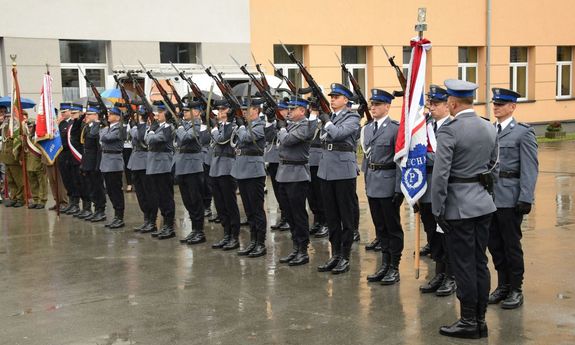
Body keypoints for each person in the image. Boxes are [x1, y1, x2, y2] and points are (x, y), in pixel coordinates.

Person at [432, 79, 498, 339]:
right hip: (483, 203)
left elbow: (441, 174)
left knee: (463, 266)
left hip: (458, 207)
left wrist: (438, 207)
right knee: (480, 262)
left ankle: (469, 321)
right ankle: (480, 321)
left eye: (447, 100)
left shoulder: (450, 130)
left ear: (453, 102)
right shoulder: (488, 126)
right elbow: (494, 164)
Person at [487, 87, 538, 309]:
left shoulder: (523, 132)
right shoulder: (490, 130)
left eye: (500, 104)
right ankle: (503, 286)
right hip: (490, 198)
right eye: (494, 103)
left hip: (510, 197)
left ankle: (516, 288)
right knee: (495, 244)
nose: (496, 107)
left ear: (512, 107)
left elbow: (530, 167)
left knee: (511, 245)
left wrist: (526, 197)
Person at [316, 83, 360, 275]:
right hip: (326, 170)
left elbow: (339, 134)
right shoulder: (332, 117)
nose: (332, 99)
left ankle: (345, 256)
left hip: (343, 170)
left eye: (336, 96)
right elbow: (323, 139)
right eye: (331, 96)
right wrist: (326, 121)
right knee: (331, 216)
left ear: (346, 100)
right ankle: (335, 254)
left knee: (346, 216)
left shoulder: (353, 117)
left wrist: (326, 122)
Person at [361, 89, 404, 285]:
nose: (374, 107)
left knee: (392, 227)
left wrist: (398, 189)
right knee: (380, 228)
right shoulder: (368, 128)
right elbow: (367, 158)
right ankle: (384, 264)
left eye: (378, 104)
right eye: (372, 104)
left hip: (388, 183)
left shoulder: (395, 129)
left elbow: (400, 162)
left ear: (387, 106)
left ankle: (394, 266)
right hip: (373, 183)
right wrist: (366, 182)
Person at [418, 85, 456, 296]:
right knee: (432, 234)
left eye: (435, 103)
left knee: (446, 235)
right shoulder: (425, 125)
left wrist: (418, 157)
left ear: (447, 105)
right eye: (429, 103)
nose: (431, 107)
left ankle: (451, 275)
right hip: (425, 188)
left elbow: (444, 159)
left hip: (443, 190)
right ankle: (439, 273)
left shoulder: (452, 127)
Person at [276, 96, 313, 265]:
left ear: (302, 111)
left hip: (297, 174)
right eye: (288, 109)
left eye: (293, 109)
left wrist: (282, 129)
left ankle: (303, 250)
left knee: (298, 215)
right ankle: (296, 247)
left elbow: (287, 140)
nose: (289, 111)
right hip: (284, 173)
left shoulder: (305, 126)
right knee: (289, 214)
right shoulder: (291, 126)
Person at [233, 98, 268, 258]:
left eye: (247, 110)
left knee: (257, 209)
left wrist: (240, 126)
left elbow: (247, 138)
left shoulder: (260, 126)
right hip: (242, 170)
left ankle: (260, 243)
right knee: (249, 210)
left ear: (256, 110)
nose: (245, 112)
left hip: (254, 172)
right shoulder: (246, 126)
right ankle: (253, 241)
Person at [209, 100, 241, 251]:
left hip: (227, 168)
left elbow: (221, 140)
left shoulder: (232, 127)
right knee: (220, 204)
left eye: (223, 109)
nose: (220, 112)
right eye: (219, 109)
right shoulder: (221, 126)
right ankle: (226, 233)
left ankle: (234, 236)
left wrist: (215, 128)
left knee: (229, 203)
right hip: (216, 167)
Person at [176, 101, 207, 245]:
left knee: (195, 200)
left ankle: (199, 231)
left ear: (197, 112)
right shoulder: (186, 125)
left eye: (188, 110)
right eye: (184, 111)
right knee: (187, 200)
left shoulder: (198, 125)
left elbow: (187, 137)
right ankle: (194, 229)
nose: (184, 113)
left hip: (193, 166)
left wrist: (180, 127)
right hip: (182, 165)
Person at [145, 102, 176, 240]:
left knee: (166, 197)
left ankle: (169, 226)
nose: (158, 115)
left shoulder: (168, 127)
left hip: (163, 166)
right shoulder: (159, 127)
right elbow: (147, 140)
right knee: (159, 197)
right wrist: (151, 132)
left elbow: (156, 140)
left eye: (161, 112)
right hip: (155, 166)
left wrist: (150, 131)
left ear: (167, 114)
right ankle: (165, 225)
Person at [264, 101, 290, 231]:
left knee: (285, 192)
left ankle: (289, 217)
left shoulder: (289, 123)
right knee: (277, 191)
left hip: (285, 161)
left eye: (282, 110)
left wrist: (280, 126)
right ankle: (284, 216)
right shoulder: (274, 123)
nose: (280, 112)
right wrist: (269, 120)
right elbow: (267, 137)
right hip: (274, 160)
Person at [129, 105, 155, 232]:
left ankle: (152, 220)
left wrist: (136, 125)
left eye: (139, 114)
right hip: (135, 161)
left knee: (149, 192)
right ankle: (146, 219)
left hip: (145, 162)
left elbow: (140, 137)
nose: (137, 115)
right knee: (140, 193)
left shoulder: (150, 126)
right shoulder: (137, 125)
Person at [100, 105, 126, 229]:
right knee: (110, 190)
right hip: (106, 162)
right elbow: (103, 135)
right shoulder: (109, 128)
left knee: (116, 190)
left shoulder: (120, 128)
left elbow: (106, 137)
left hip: (114, 162)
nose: (108, 116)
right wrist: (104, 132)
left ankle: (119, 216)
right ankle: (116, 216)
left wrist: (104, 132)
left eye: (111, 114)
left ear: (117, 117)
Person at [81, 104, 106, 223]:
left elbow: (99, 148)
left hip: (95, 162)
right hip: (88, 161)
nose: (87, 116)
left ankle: (100, 210)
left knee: (98, 187)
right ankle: (96, 209)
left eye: (89, 114)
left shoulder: (99, 127)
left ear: (96, 115)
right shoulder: (88, 127)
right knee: (91, 187)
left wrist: (98, 165)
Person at [22, 114, 48, 209]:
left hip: (39, 162)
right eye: (28, 127)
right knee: (33, 183)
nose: (29, 128)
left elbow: (44, 150)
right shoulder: (27, 137)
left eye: (31, 126)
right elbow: (24, 149)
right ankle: (36, 199)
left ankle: (42, 200)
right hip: (30, 163)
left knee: (42, 182)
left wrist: (44, 162)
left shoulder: (40, 136)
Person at [0, 109, 24, 207]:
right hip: (6, 158)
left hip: (14, 158)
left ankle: (21, 198)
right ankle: (13, 197)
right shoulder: (4, 128)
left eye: (9, 117)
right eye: (6, 117)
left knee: (18, 180)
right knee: (10, 180)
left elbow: (18, 144)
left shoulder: (17, 128)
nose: (7, 119)